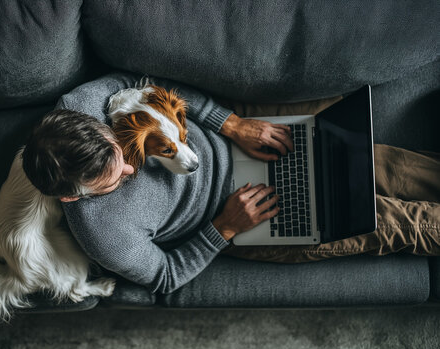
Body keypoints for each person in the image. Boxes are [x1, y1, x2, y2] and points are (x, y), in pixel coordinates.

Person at [22, 71, 440, 294]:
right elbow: (164, 277)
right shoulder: (103, 234)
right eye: (114, 181)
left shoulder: (81, 105)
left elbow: (148, 83)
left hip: (242, 141)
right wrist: (224, 228)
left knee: (387, 166)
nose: (132, 170)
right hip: (247, 217)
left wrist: (233, 124)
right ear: (71, 196)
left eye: (121, 155)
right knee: (388, 222)